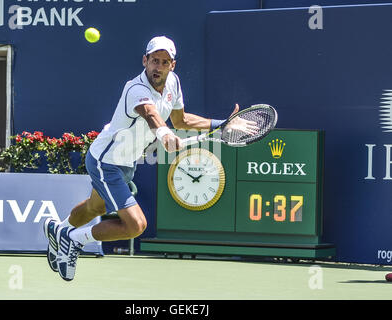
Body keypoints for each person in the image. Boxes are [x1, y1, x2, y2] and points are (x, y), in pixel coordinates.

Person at [43, 36, 259, 281]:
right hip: (106, 161)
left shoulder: (173, 84)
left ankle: (58, 229)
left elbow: (181, 120)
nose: (158, 66)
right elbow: (151, 114)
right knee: (136, 226)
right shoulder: (135, 89)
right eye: (154, 60)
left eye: (164, 62)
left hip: (127, 161)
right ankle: (74, 239)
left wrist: (223, 124)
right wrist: (164, 133)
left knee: (96, 207)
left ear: (172, 65)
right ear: (145, 61)